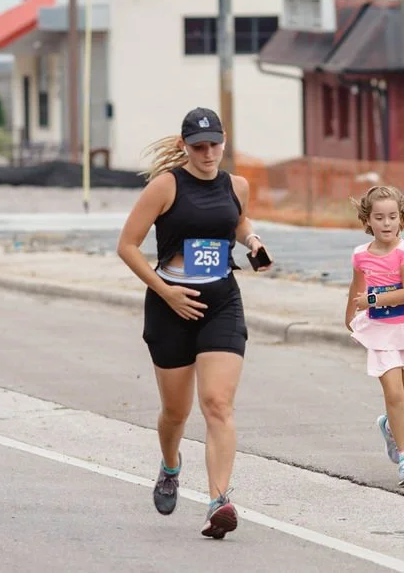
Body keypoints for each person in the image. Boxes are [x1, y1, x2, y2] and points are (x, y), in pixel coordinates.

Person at [116, 107, 272, 539]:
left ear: (224, 142)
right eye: (199, 146)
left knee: (217, 403)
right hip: (170, 306)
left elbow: (237, 219)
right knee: (176, 412)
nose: (207, 154)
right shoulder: (165, 186)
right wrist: (166, 291)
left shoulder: (236, 185)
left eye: (214, 145)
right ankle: (170, 466)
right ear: (184, 146)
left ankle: (219, 502)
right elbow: (127, 246)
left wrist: (252, 240)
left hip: (221, 301)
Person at [345, 185, 404, 487]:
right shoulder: (360, 255)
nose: (386, 223)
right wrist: (349, 316)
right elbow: (357, 286)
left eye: (392, 217)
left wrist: (371, 300)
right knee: (394, 395)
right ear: (367, 220)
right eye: (380, 217)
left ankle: (388, 425)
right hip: (380, 331)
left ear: (401, 219)